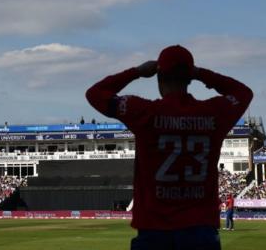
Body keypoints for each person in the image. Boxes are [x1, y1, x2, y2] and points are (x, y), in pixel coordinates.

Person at [86, 45, 253, 250]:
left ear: (159, 77)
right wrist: (201, 73)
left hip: (153, 231)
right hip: (200, 230)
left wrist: (136, 72)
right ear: (190, 78)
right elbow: (243, 93)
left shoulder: (144, 112)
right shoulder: (213, 113)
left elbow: (95, 93)